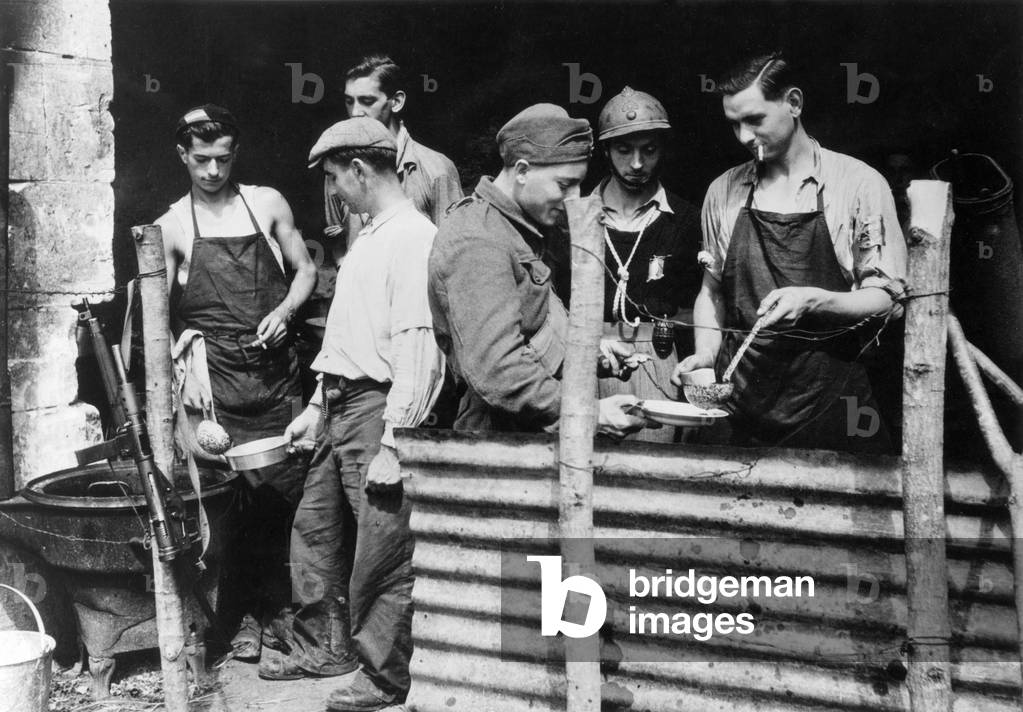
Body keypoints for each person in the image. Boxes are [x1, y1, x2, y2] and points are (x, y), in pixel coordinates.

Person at [267, 117, 444, 712]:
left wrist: (396, 442)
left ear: (362, 171)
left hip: (378, 409)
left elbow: (419, 348)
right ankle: (325, 647)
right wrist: (316, 407)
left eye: (335, 179)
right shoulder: (367, 234)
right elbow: (347, 333)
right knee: (314, 532)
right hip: (341, 402)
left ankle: (384, 676)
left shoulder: (412, 238)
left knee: (381, 550)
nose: (333, 192)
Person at [670, 53, 908, 453]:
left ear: (794, 103)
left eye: (755, 120)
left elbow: (889, 301)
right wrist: (706, 355)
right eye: (734, 124)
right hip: (738, 405)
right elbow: (711, 293)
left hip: (830, 402)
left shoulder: (859, 185)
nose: (744, 136)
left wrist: (814, 300)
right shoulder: (723, 192)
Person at [155, 104, 317, 658]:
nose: (211, 172)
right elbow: (157, 321)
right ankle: (239, 618)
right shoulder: (172, 227)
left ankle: (277, 612)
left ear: (235, 154)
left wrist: (287, 312)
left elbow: (307, 270)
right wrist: (186, 358)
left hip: (272, 376)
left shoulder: (265, 203)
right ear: (183, 155)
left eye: (222, 159)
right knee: (225, 510)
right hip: (214, 385)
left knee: (279, 502)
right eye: (200, 160)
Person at [428, 103, 651, 436]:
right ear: (521, 171)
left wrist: (592, 354)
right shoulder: (478, 239)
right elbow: (498, 368)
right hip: (499, 438)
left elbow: (535, 329)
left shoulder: (519, 229)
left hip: (530, 428)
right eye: (564, 186)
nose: (574, 198)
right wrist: (587, 413)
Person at [592, 87, 702, 442]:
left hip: (658, 360)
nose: (637, 163)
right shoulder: (575, 216)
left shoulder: (685, 220)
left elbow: (700, 304)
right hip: (585, 357)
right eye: (624, 150)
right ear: (606, 151)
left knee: (653, 473)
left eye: (648, 150)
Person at [324, 54, 463, 258]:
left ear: (396, 102)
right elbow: (337, 242)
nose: (355, 112)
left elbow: (453, 254)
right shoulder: (336, 168)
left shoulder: (436, 169)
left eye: (367, 101)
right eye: (349, 101)